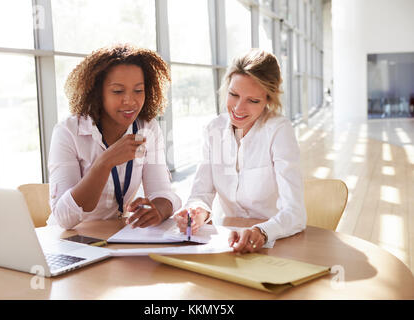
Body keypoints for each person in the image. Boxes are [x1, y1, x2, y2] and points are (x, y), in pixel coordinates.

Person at [175, 49, 306, 253]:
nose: (238, 108)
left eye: (253, 101)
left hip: (275, 243)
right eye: (234, 95)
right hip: (228, 243)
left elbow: (295, 213)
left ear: (268, 100)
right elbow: (201, 192)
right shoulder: (214, 130)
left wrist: (262, 231)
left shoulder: (279, 130)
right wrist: (197, 211)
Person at [47, 43, 181, 230]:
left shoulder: (147, 128)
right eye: (118, 91)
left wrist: (157, 210)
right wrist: (105, 162)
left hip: (115, 237)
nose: (130, 101)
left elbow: (163, 192)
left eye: (138, 90)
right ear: (97, 92)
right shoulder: (68, 132)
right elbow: (63, 219)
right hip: (69, 239)